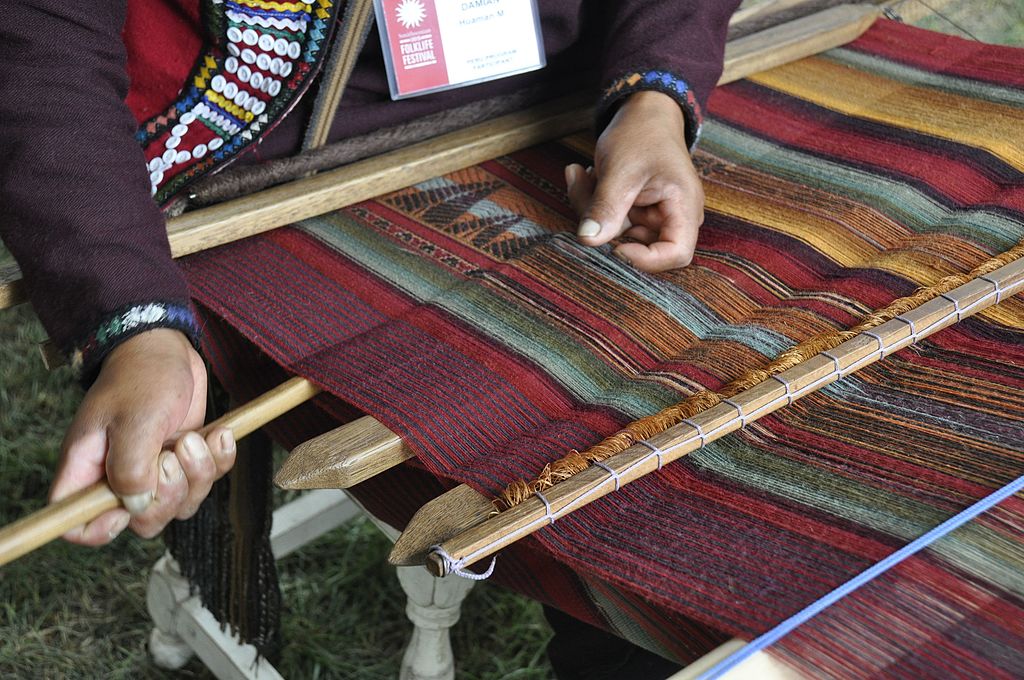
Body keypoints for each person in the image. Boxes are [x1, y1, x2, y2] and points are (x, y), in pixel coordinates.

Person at [0, 0, 737, 673]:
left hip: (557, 107)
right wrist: (137, 324)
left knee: (689, 515)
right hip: (282, 157)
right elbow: (39, 32)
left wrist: (655, 96)